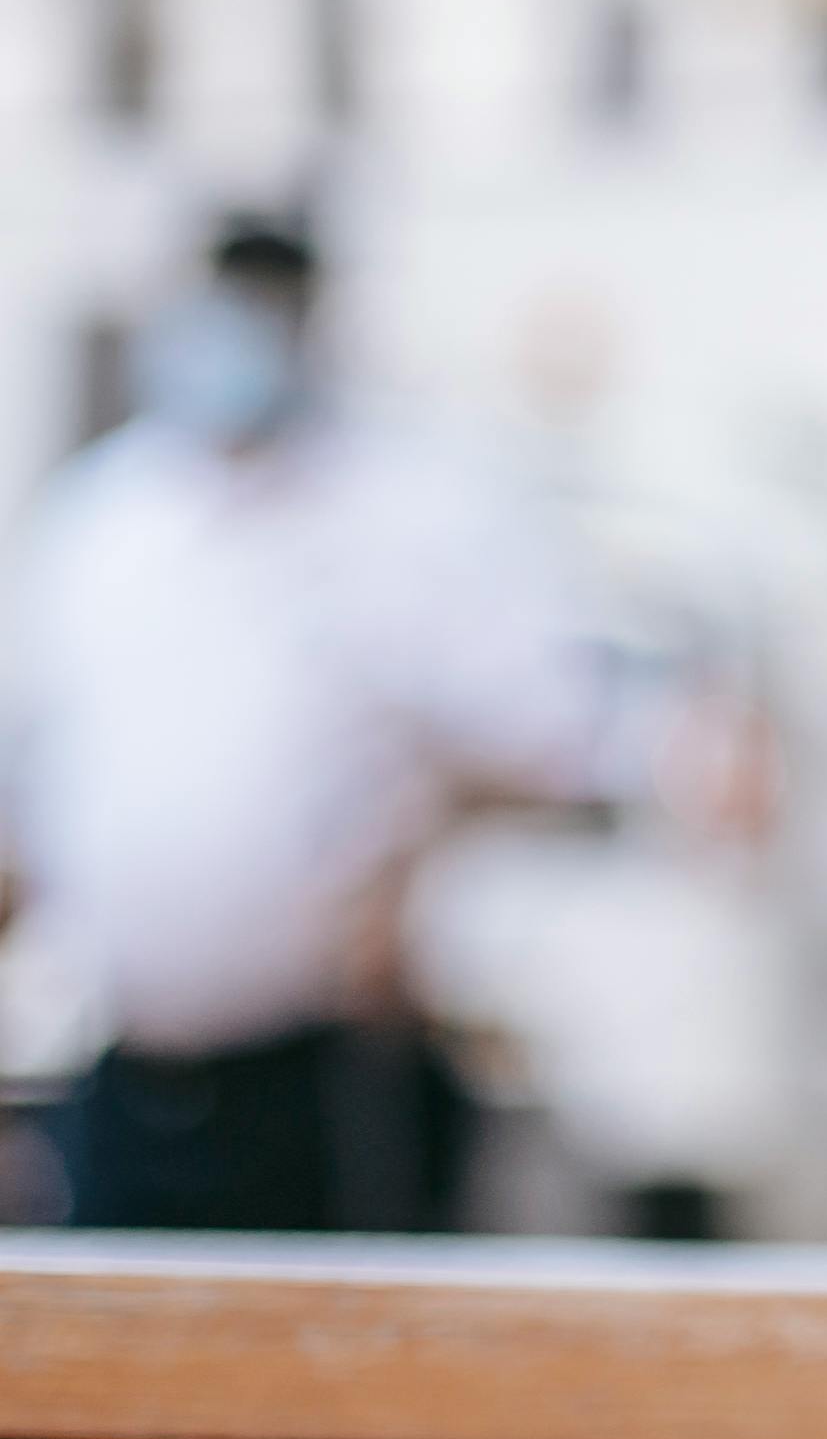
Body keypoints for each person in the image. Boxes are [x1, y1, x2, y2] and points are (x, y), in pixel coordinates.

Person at [0, 214, 628, 1234]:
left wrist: (413, 843)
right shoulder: (104, 517)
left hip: (332, 1070)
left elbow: (555, 741)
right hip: (124, 1061)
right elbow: (34, 776)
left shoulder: (412, 508)